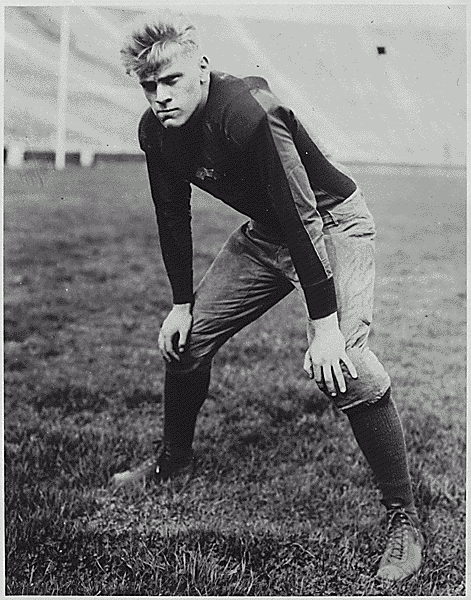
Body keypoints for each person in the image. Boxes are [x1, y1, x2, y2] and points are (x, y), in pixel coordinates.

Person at [115, 11, 424, 584]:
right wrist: (182, 302)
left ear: (202, 69)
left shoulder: (248, 111)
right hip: (267, 232)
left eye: (172, 80)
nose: (160, 97)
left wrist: (325, 325)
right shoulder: (156, 129)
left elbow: (305, 215)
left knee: (348, 366)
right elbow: (170, 215)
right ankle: (173, 463)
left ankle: (403, 517)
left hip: (330, 223)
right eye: (149, 86)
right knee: (186, 341)